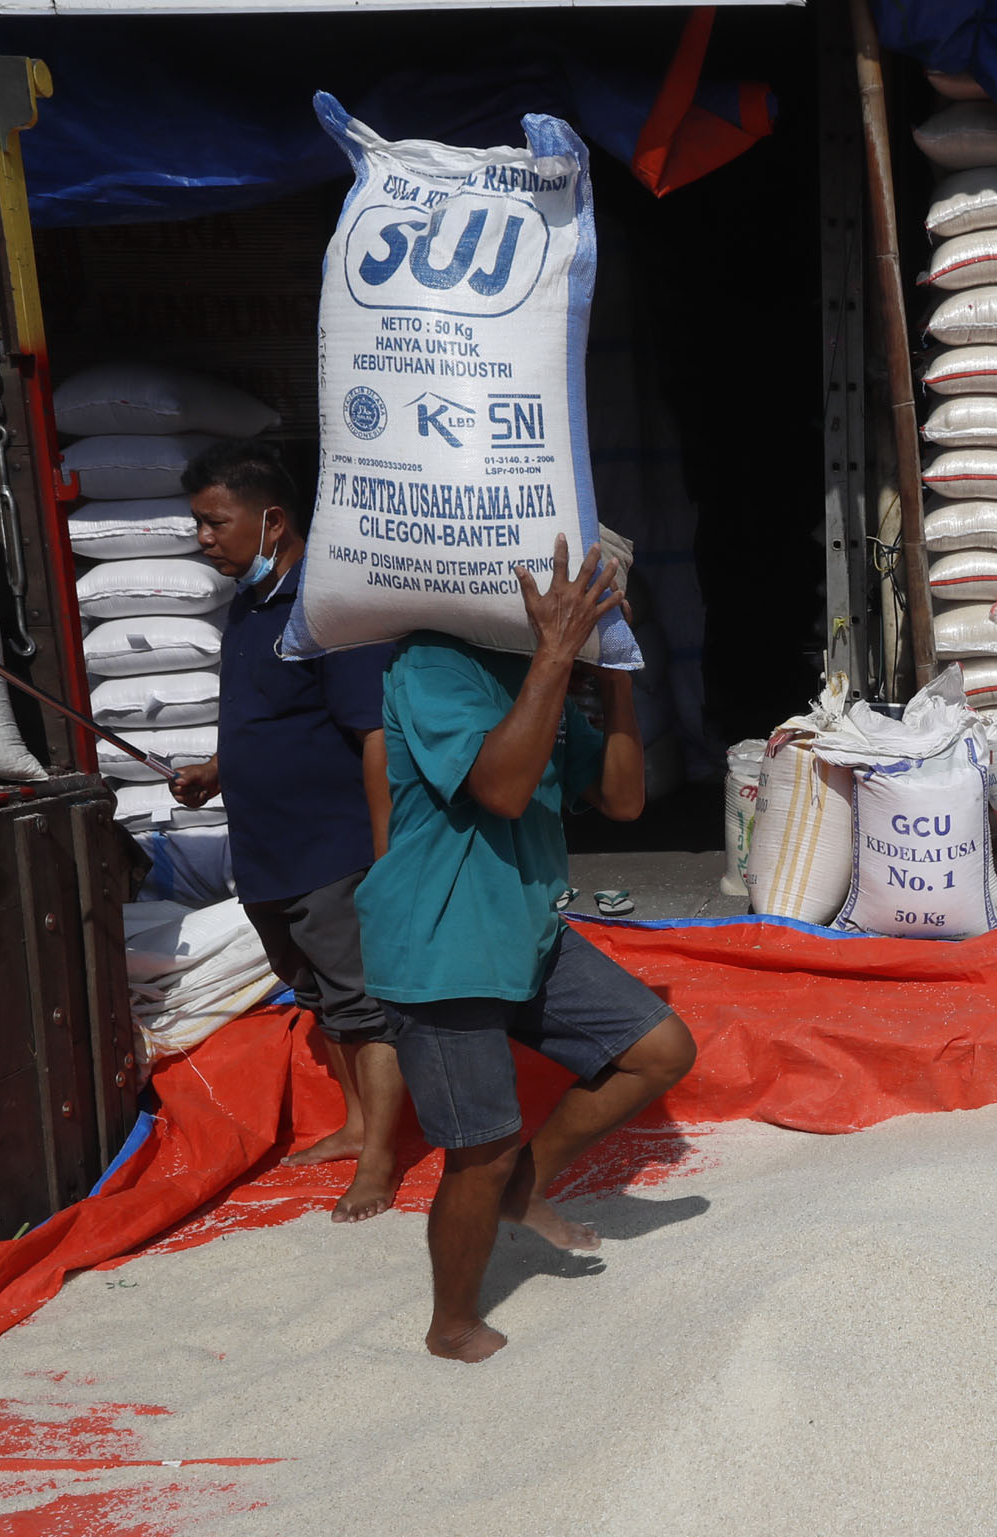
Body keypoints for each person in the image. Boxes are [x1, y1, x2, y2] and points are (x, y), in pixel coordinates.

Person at [358, 536, 696, 1362]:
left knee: (660, 1048)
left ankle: (519, 1188)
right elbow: (502, 788)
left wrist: (612, 668)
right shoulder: (432, 664)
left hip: (526, 929)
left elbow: (620, 797)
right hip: (443, 947)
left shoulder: (534, 674)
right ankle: (452, 1321)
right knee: (480, 1146)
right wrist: (555, 654)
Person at [171, 439, 407, 1223]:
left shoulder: (329, 608)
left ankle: (380, 1159)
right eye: (198, 522)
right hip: (266, 850)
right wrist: (218, 768)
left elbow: (372, 734)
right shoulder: (247, 604)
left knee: (363, 1005)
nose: (203, 537)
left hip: (331, 847)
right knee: (318, 997)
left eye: (215, 521)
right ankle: (355, 1125)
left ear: (272, 519)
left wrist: (385, 855)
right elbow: (271, 717)